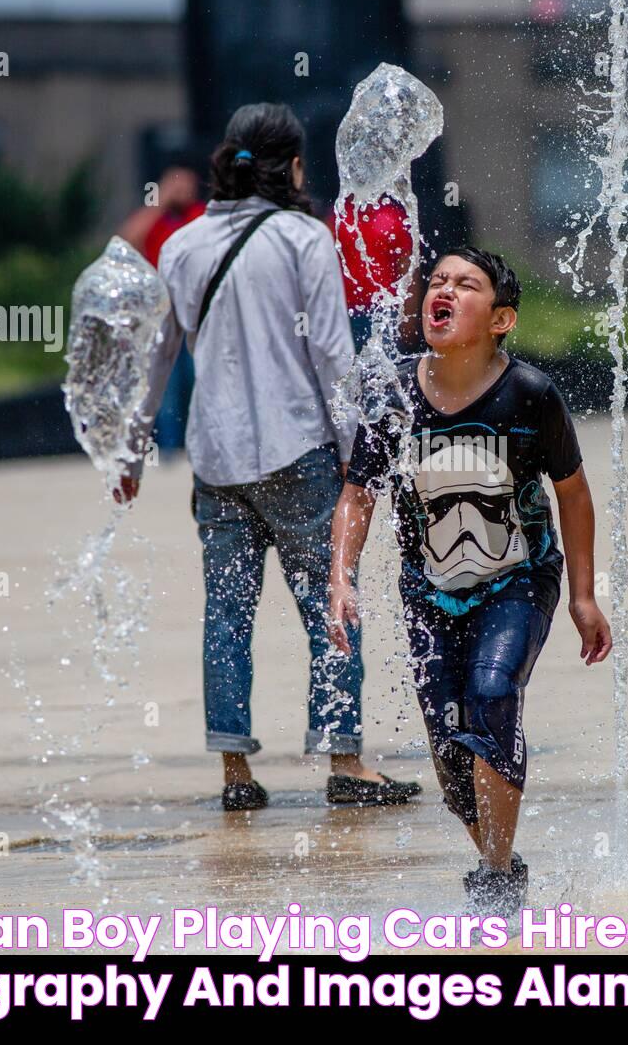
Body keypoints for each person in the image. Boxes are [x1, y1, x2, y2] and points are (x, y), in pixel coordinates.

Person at [120, 103, 420, 811]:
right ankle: (345, 761)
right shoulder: (303, 238)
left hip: (216, 464)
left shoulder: (183, 245)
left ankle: (235, 774)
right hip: (300, 456)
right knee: (332, 608)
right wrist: (360, 460)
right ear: (292, 165)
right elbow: (331, 356)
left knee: (225, 614)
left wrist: (132, 452)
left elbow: (157, 357)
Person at [327, 246, 613, 916]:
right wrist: (343, 580)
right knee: (452, 755)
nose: (442, 289)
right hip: (430, 592)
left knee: (492, 695)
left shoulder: (531, 395)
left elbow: (573, 493)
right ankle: (502, 859)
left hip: (520, 578)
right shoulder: (391, 394)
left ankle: (492, 875)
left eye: (465, 284)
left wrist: (581, 595)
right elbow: (358, 495)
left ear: (501, 318)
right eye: (436, 280)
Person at [118, 167, 208, 453]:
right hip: (161, 313)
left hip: (196, 315)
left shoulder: (200, 214)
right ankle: (167, 450)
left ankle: (195, 447)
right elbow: (127, 239)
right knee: (164, 385)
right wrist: (160, 199)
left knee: (198, 380)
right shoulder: (156, 219)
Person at [330, 194, 419, 352]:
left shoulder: (393, 216)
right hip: (347, 310)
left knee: (385, 367)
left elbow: (407, 270)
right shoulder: (339, 215)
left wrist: (409, 314)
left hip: (384, 310)